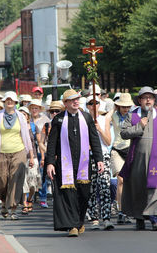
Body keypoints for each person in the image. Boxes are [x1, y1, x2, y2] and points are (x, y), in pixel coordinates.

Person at [46, 89, 104, 237]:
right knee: (69, 194)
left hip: (83, 163)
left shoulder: (86, 117)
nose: (76, 101)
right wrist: (50, 163)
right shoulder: (58, 120)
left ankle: (80, 221)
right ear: (65, 103)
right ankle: (72, 225)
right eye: (72, 100)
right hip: (66, 164)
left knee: (84, 194)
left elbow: (94, 140)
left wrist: (99, 159)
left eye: (77, 99)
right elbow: (51, 144)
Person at [119, 87, 157, 231]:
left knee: (156, 188)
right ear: (140, 100)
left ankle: (156, 219)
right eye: (145, 97)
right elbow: (124, 133)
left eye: (151, 97)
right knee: (138, 188)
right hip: (137, 158)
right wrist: (139, 126)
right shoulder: (133, 116)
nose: (148, 100)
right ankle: (139, 217)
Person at [0, 91, 33, 220]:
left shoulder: (20, 116)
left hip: (18, 151)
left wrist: (31, 155)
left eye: (12, 100)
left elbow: (27, 137)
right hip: (1, 152)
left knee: (15, 180)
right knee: (1, 180)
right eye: (7, 100)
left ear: (15, 102)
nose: (9, 102)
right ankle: (4, 202)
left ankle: (14, 208)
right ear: (4, 102)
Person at [86, 95, 114, 231]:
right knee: (91, 188)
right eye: (91, 103)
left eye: (96, 103)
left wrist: (99, 129)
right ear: (87, 106)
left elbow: (108, 142)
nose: (94, 105)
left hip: (103, 155)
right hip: (89, 157)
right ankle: (94, 218)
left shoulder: (104, 120)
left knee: (105, 186)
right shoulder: (84, 120)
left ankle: (106, 218)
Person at [109, 93, 134, 224]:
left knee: (129, 182)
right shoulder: (113, 115)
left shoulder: (133, 116)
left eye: (128, 106)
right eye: (123, 106)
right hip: (117, 149)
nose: (125, 109)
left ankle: (128, 210)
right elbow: (104, 118)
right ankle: (120, 210)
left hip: (130, 150)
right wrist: (113, 108)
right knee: (120, 180)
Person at [19, 106, 41, 215]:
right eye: (20, 114)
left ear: (27, 116)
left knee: (32, 184)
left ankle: (30, 199)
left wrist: (43, 157)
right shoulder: (16, 128)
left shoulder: (33, 126)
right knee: (23, 182)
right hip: (20, 158)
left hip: (33, 157)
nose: (22, 116)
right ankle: (24, 204)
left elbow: (39, 142)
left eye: (24, 114)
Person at [28, 99, 50, 207]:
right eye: (32, 108)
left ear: (40, 109)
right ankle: (29, 198)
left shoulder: (45, 120)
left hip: (42, 150)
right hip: (30, 151)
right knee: (30, 175)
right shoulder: (27, 119)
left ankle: (43, 198)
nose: (34, 110)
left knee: (42, 175)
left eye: (36, 108)